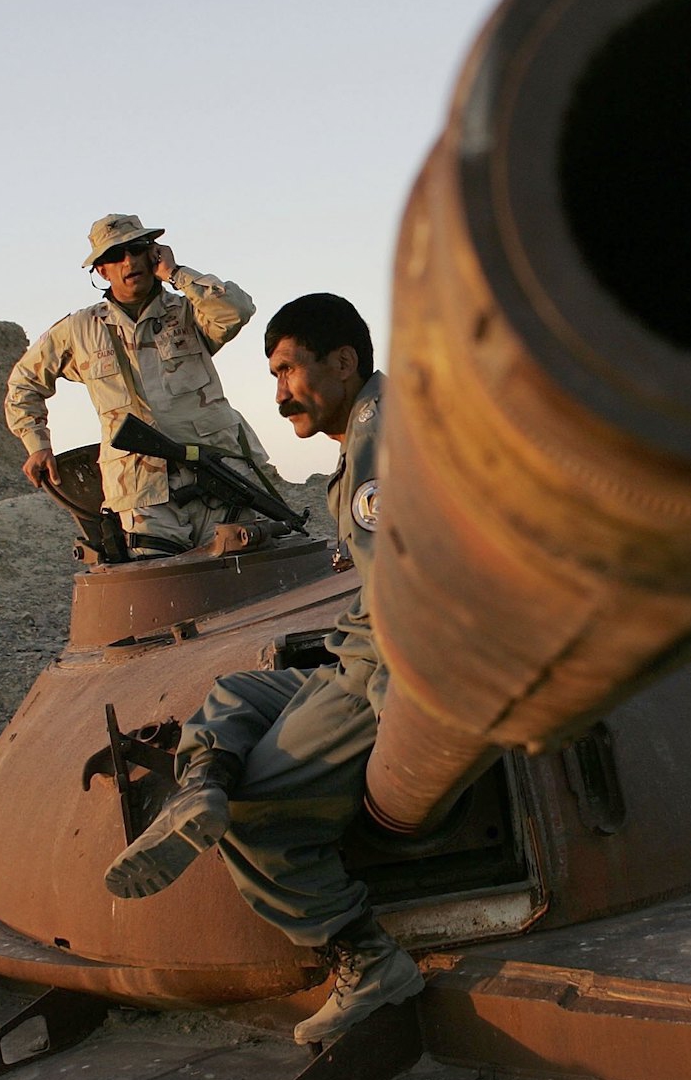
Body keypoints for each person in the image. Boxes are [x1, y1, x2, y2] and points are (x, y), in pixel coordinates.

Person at [101, 293, 419, 1046]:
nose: (278, 393)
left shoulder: (381, 442)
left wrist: (398, 718)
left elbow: (410, 603)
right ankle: (199, 791)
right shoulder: (378, 428)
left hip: (392, 672)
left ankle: (367, 960)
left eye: (287, 371)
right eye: (273, 376)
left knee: (256, 816)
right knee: (237, 693)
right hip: (361, 654)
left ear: (343, 362)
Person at [4, 214, 270, 556]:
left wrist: (176, 273)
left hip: (218, 472)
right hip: (141, 489)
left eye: (137, 248)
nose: (129, 261)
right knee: (160, 582)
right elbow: (23, 383)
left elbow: (237, 310)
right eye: (116, 255)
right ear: (102, 270)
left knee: (241, 569)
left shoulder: (189, 312)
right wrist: (37, 444)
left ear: (153, 253)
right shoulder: (80, 330)